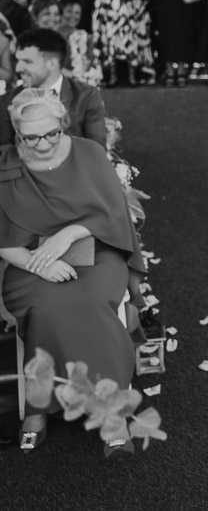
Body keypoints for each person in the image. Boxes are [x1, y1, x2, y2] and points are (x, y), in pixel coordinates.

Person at [0, 89, 145, 457]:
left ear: (63, 124)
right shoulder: (3, 167)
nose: (43, 143)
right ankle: (38, 409)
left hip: (97, 253)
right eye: (31, 137)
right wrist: (41, 261)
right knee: (48, 307)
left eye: (52, 133)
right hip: (28, 263)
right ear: (17, 134)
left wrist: (68, 234)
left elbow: (113, 214)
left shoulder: (90, 153)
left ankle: (107, 411)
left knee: (89, 303)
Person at [0, 28, 107, 147]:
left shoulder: (86, 95)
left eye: (27, 61)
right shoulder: (6, 102)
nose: (18, 68)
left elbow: (97, 148)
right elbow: (5, 156)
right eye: (18, 60)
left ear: (52, 63)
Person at [55, 0, 99, 86]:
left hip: (80, 85)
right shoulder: (51, 36)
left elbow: (91, 65)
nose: (73, 16)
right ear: (60, 13)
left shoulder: (86, 37)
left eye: (77, 13)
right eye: (69, 12)